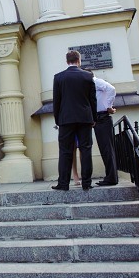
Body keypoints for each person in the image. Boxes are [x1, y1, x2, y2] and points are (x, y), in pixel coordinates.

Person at [52, 50, 97, 191]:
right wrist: (93, 118)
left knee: (65, 151)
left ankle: (63, 183)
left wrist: (58, 120)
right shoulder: (88, 76)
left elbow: (56, 102)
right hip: (85, 118)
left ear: (67, 61)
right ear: (79, 60)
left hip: (65, 119)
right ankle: (87, 183)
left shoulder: (58, 77)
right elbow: (92, 100)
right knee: (86, 150)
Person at [86, 69, 119, 186]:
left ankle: (111, 178)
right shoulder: (90, 85)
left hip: (103, 117)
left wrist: (109, 106)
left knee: (107, 149)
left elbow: (112, 89)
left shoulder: (96, 81)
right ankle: (111, 177)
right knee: (105, 149)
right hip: (98, 118)